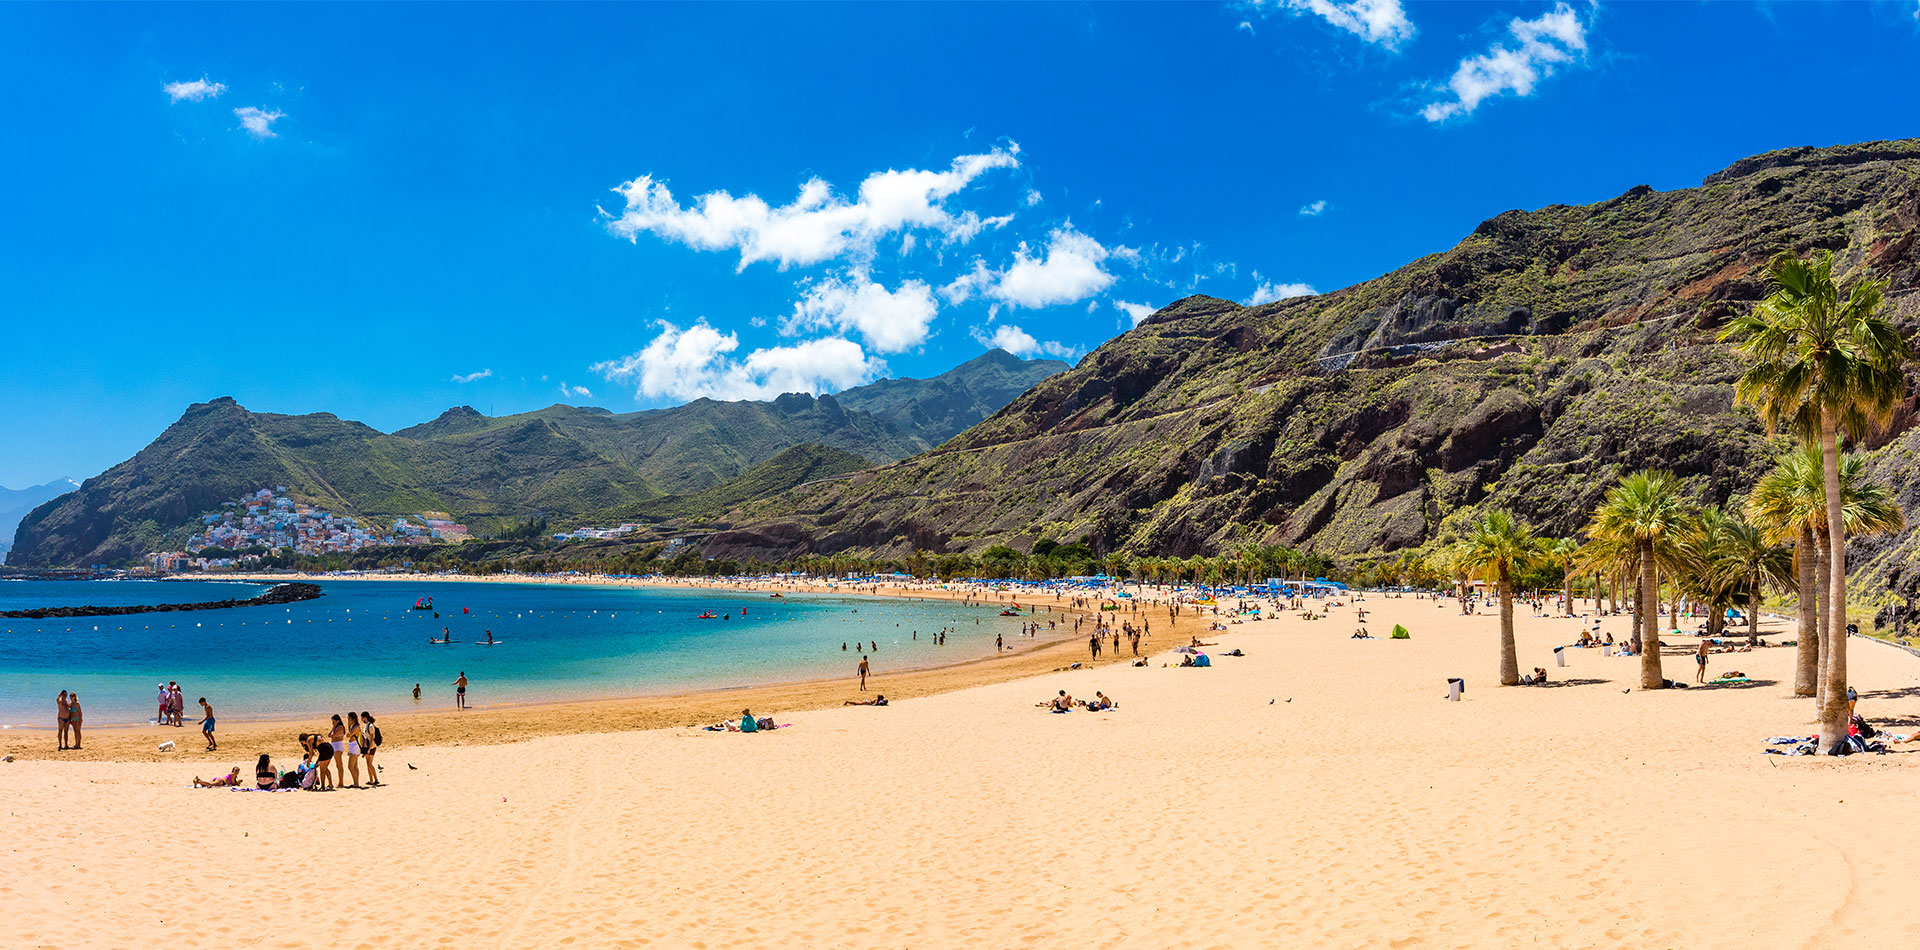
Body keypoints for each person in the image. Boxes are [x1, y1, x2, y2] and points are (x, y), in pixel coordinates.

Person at [343, 711, 364, 788]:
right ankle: (356, 782)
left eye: (349, 719)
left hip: (355, 746)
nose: (348, 721)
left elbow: (348, 735)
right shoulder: (354, 726)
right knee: (354, 766)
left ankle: (356, 783)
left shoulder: (355, 727)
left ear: (353, 719)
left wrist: (348, 727)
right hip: (353, 746)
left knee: (350, 766)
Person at [361, 711, 382, 787]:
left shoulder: (370, 726)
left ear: (365, 717)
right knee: (368, 764)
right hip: (367, 747)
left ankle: (376, 779)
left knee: (369, 764)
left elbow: (372, 738)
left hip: (371, 747)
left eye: (362, 717)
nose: (361, 719)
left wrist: (369, 748)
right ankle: (371, 780)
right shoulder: (366, 725)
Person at [328, 714, 348, 789]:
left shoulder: (340, 727)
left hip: (338, 746)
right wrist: (333, 727)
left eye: (333, 721)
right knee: (337, 765)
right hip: (334, 745)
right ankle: (340, 782)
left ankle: (341, 782)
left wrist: (334, 727)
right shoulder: (335, 727)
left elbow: (332, 736)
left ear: (337, 721)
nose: (332, 723)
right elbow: (329, 735)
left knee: (339, 765)